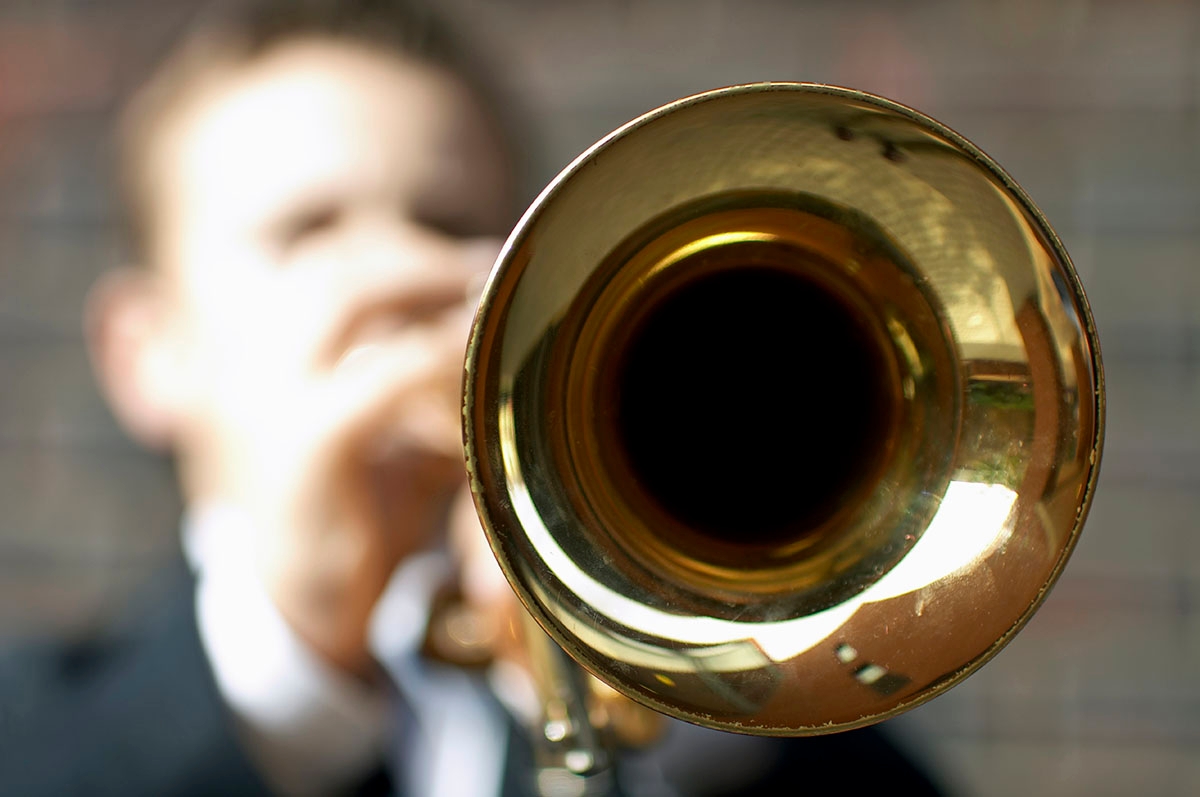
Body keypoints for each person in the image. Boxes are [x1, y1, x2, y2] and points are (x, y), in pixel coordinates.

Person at [0, 1, 945, 794]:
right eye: (305, 232)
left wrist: (685, 686)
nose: (402, 272)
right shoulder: (37, 726)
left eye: (447, 222)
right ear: (145, 353)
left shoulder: (761, 755)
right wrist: (290, 670)